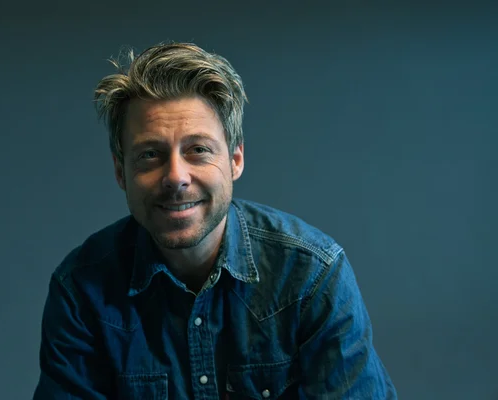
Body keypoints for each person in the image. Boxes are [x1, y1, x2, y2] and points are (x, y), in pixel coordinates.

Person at [32, 41, 397, 399]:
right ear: (120, 172)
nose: (176, 176)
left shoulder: (311, 277)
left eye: (198, 150)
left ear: (235, 159)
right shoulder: (81, 290)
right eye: (149, 154)